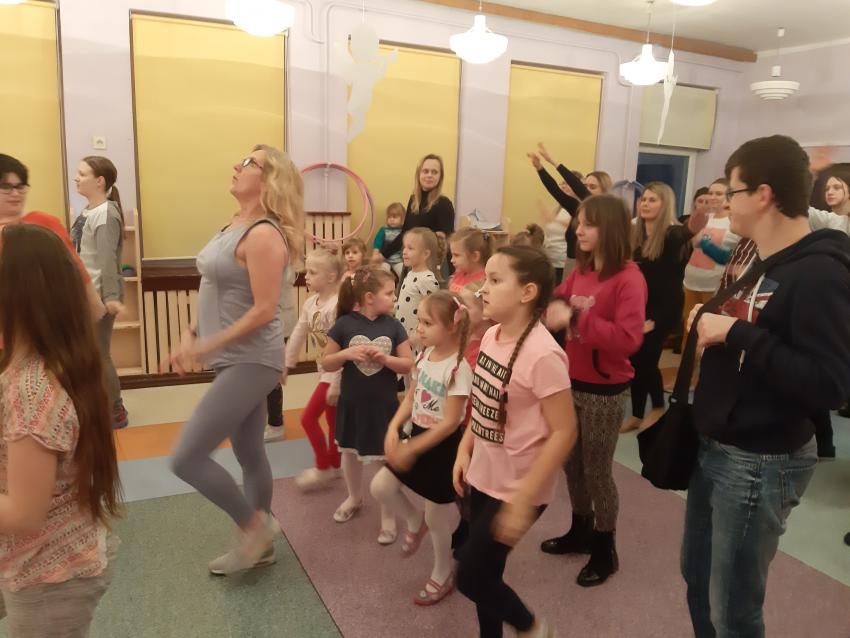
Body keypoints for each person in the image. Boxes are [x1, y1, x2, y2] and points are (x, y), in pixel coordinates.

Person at [682, 135, 850, 638]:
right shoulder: (758, 257)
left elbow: (831, 384)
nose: (724, 204)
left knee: (733, 610)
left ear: (763, 194)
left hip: (761, 459)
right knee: (698, 580)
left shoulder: (819, 272)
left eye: (732, 192)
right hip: (719, 441)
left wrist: (735, 333)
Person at [170, 145, 304, 576]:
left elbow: (264, 310)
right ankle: (260, 546)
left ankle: (254, 529)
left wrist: (209, 343)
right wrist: (192, 334)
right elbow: (213, 287)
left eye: (249, 163)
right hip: (233, 358)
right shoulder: (232, 225)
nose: (237, 166)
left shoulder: (264, 235)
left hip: (253, 358)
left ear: (269, 178)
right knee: (249, 451)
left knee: (186, 458)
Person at [0, 223, 121, 637]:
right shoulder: (39, 364)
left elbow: (23, 513)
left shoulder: (31, 389)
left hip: (49, 576)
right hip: (47, 561)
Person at [454, 246, 578, 638]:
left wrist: (523, 500)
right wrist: (465, 448)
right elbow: (485, 401)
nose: (483, 289)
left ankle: (532, 628)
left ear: (527, 292)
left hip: (518, 487)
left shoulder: (544, 355)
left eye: (494, 280)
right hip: (485, 474)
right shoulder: (492, 335)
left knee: (470, 577)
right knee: (487, 575)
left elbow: (565, 431)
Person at [540, 195, 646, 587]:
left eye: (588, 224)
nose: (578, 230)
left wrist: (575, 316)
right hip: (571, 383)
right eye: (578, 223)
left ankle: (605, 547)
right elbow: (559, 296)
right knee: (572, 465)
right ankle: (581, 529)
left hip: (605, 391)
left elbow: (629, 339)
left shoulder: (629, 278)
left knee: (598, 471)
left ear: (610, 229)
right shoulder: (581, 272)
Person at [371, 291, 473, 605]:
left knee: (437, 518)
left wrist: (413, 448)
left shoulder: (458, 368)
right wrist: (394, 426)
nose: (420, 329)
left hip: (442, 448)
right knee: (380, 487)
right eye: (419, 322)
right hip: (416, 435)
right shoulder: (425, 355)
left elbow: (450, 422)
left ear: (452, 326)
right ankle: (413, 521)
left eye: (428, 323)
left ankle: (442, 573)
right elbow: (412, 396)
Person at [321, 266, 413, 528]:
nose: (394, 297)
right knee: (350, 454)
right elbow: (326, 362)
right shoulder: (344, 324)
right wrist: (346, 354)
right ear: (370, 297)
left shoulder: (394, 325)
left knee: (383, 458)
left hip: (384, 408)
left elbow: (408, 364)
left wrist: (385, 359)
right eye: (389, 293)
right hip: (352, 405)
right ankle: (354, 497)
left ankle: (388, 512)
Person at [621, 183, 706, 433]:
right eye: (644, 199)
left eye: (653, 200)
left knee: (646, 360)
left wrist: (693, 226)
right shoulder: (636, 234)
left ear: (665, 204)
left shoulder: (671, 234)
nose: (645, 203)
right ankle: (637, 413)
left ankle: (658, 407)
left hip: (663, 309)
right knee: (635, 360)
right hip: (641, 305)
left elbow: (683, 234)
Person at [0, 154, 104, 322]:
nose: (15, 193)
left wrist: (94, 307)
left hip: (46, 326)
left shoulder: (42, 222)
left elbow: (76, 269)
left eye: (20, 186)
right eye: (5, 186)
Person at [71, 156, 130, 430]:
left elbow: (108, 261)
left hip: (100, 297)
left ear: (99, 181)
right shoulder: (88, 211)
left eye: (82, 174)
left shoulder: (105, 214)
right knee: (88, 354)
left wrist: (111, 298)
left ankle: (115, 410)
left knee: (99, 354)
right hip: (84, 295)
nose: (76, 178)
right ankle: (96, 405)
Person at [282, 249, 343, 489]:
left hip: (338, 373)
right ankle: (335, 464)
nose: (306, 276)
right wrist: (287, 363)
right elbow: (298, 333)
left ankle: (323, 467)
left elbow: (344, 346)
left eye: (312, 272)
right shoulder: (310, 303)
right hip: (325, 370)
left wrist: (336, 382)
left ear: (331, 277)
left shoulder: (337, 306)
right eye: (306, 271)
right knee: (333, 419)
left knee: (307, 419)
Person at [377, 154, 456, 277]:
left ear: (440, 177)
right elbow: (405, 233)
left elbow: (445, 241)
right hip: (414, 262)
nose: (429, 175)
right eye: (425, 171)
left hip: (433, 268)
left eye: (434, 172)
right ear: (419, 174)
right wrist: (383, 254)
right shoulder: (414, 201)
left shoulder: (444, 203)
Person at [394, 227, 442, 344]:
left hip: (415, 337)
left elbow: (433, 313)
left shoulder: (427, 280)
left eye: (410, 248)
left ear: (425, 254)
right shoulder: (410, 274)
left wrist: (418, 337)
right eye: (404, 247)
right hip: (402, 333)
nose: (404, 252)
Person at [448, 227, 491, 293]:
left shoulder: (484, 282)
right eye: (452, 255)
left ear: (475, 256)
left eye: (456, 255)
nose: (452, 260)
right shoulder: (458, 275)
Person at [372, 202, 405, 279]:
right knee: (383, 273)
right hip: (384, 259)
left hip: (398, 260)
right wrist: (375, 254)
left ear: (402, 218)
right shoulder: (384, 230)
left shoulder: (403, 230)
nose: (392, 219)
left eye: (395, 217)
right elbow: (377, 242)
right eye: (389, 217)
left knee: (403, 274)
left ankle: (401, 286)